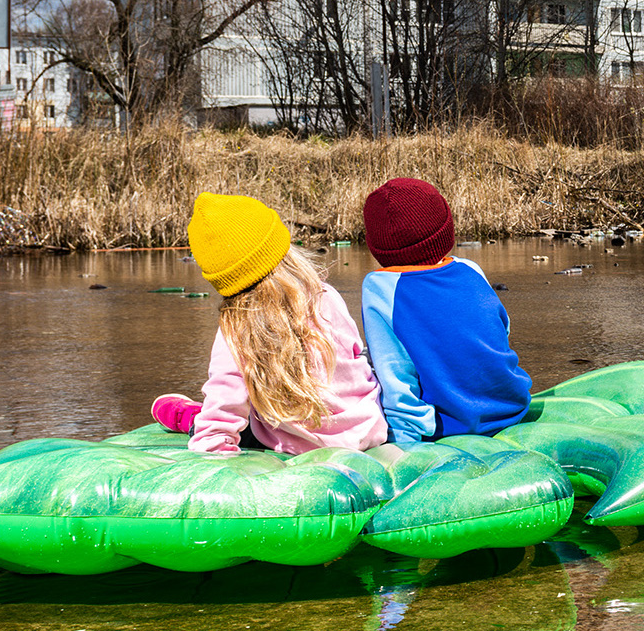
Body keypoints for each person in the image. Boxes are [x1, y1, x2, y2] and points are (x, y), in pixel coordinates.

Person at [149, 193, 389, 455]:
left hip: (298, 445)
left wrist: (212, 442)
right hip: (368, 430)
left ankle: (187, 417)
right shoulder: (326, 295)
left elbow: (226, 399)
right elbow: (357, 361)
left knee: (237, 415)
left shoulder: (237, 325)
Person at [357, 177, 533, 444]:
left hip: (452, 428)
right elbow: (501, 331)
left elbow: (396, 374)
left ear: (377, 246)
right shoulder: (470, 269)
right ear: (446, 231)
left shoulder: (379, 287)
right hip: (514, 407)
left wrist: (404, 445)